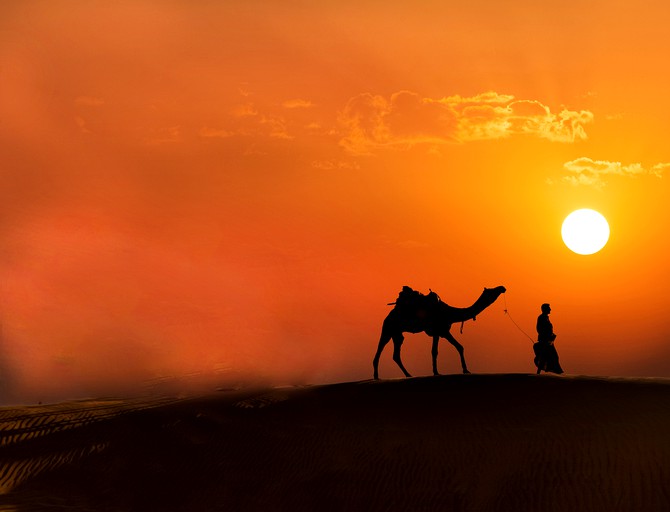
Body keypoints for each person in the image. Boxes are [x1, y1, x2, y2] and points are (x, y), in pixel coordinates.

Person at [533, 303, 564, 374]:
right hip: (545, 341)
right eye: (549, 308)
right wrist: (546, 336)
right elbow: (539, 329)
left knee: (549, 357)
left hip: (549, 341)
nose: (550, 309)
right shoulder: (541, 318)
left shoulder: (545, 317)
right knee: (549, 357)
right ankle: (558, 373)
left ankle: (557, 372)